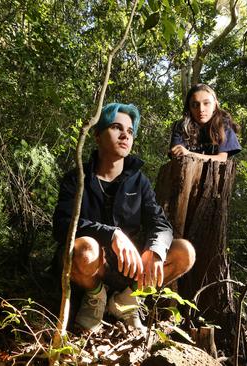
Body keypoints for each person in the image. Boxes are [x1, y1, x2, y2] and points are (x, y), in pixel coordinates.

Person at [53, 103, 196, 333]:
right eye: (116, 127)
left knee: (184, 252)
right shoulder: (77, 177)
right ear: (98, 136)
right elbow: (62, 226)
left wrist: (156, 250)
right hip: (90, 266)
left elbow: (160, 223)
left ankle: (126, 302)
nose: (124, 135)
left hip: (129, 270)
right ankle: (95, 298)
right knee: (85, 247)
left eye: (130, 131)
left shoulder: (139, 182)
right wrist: (111, 234)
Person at [169, 84, 241, 161]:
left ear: (215, 105)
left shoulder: (223, 124)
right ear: (189, 108)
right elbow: (177, 155)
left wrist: (189, 154)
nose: (201, 109)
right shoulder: (181, 126)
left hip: (214, 172)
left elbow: (221, 158)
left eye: (206, 103)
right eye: (195, 105)